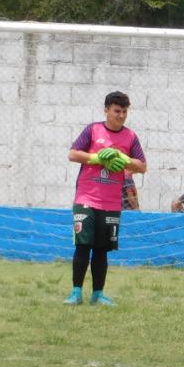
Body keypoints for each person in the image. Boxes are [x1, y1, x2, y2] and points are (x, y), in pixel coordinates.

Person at [65, 91, 147, 305]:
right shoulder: (93, 130)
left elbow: (142, 166)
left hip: (111, 203)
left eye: (124, 112)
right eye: (116, 111)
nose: (121, 115)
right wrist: (96, 157)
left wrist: (123, 159)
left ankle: (98, 294)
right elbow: (73, 154)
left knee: (102, 249)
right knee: (83, 246)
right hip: (86, 198)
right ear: (106, 110)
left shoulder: (130, 137)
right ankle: (75, 292)